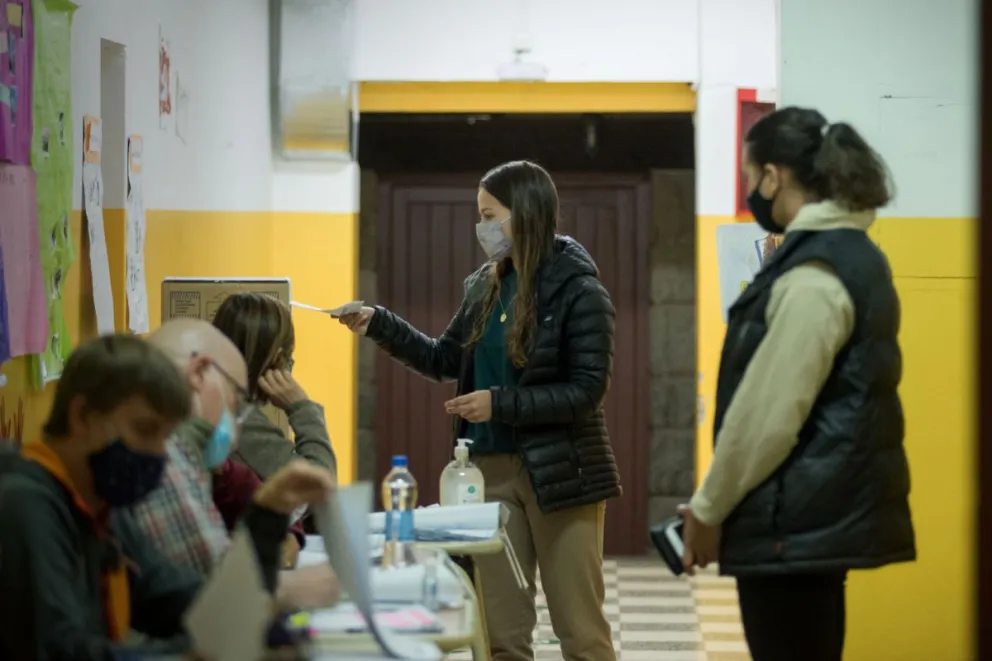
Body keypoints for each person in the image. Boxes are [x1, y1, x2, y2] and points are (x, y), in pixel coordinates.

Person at [340, 160, 620, 661]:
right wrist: (379, 324)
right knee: (499, 635)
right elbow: (442, 358)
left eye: (491, 215)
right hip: (486, 473)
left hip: (562, 472)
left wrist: (500, 404)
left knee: (580, 631)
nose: (482, 228)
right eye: (480, 216)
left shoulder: (580, 291)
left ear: (527, 215)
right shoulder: (484, 286)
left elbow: (586, 391)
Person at [680, 107, 915, 661]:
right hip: (811, 520)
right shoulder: (850, 256)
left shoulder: (815, 273)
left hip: (792, 523)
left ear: (774, 175)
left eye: (748, 175)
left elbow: (766, 417)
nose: (747, 190)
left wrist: (710, 509)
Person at [0, 334, 335, 660]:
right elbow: (60, 649)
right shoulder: (23, 508)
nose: (159, 454)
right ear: (83, 415)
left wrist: (266, 523)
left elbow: (176, 597)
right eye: (145, 430)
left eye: (166, 435)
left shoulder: (102, 508)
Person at [129, 319, 306, 575]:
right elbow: (214, 601)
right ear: (199, 373)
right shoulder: (162, 464)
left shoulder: (198, 463)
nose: (237, 422)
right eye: (235, 398)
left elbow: (250, 492)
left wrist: (281, 527)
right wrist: (297, 590)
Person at [211, 292, 336, 480]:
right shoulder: (240, 420)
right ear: (278, 357)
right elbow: (320, 486)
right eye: (289, 354)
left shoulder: (212, 400)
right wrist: (302, 408)